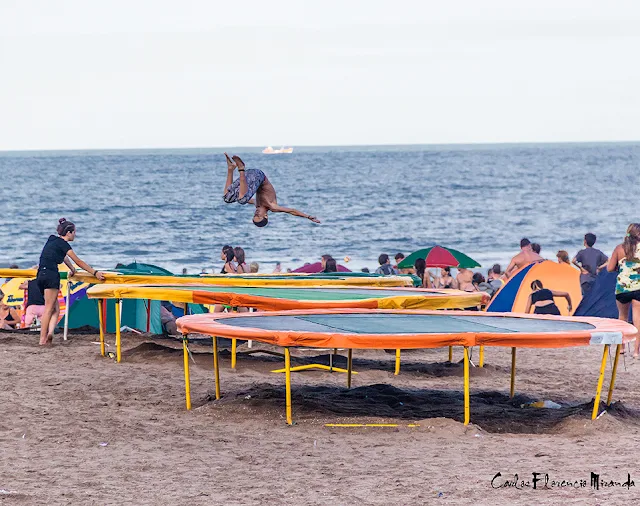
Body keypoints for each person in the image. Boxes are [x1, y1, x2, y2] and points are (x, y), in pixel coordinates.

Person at [37, 218, 105, 345]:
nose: (75, 235)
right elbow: (78, 260)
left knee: (55, 309)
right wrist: (95, 273)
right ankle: (42, 339)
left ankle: (50, 332)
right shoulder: (65, 245)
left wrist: (72, 269)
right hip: (51, 274)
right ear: (68, 233)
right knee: (48, 309)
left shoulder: (52, 239)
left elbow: (63, 256)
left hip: (41, 274)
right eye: (74, 232)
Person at [223, 153, 320, 227]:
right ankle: (241, 168)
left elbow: (247, 199)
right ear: (265, 216)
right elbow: (292, 211)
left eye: (254, 216)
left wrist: (233, 196)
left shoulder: (257, 204)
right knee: (242, 200)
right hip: (258, 175)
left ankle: (231, 168)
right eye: (258, 216)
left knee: (228, 198)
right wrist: (307, 216)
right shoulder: (272, 206)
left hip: (250, 176)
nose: (256, 214)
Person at [606, 224, 640, 357]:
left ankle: (621, 348)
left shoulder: (619, 248)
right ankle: (636, 351)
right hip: (638, 287)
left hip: (622, 287)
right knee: (638, 319)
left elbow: (609, 268)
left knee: (622, 318)